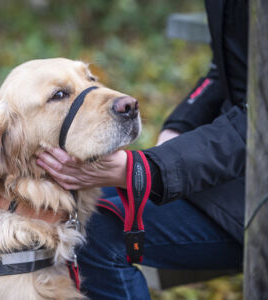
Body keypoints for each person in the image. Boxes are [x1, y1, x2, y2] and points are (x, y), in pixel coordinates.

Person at [36, 0, 248, 298]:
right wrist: (179, 128)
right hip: (239, 169)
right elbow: (226, 72)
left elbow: (259, 120)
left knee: (95, 236)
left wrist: (147, 169)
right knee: (67, 205)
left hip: (255, 193)